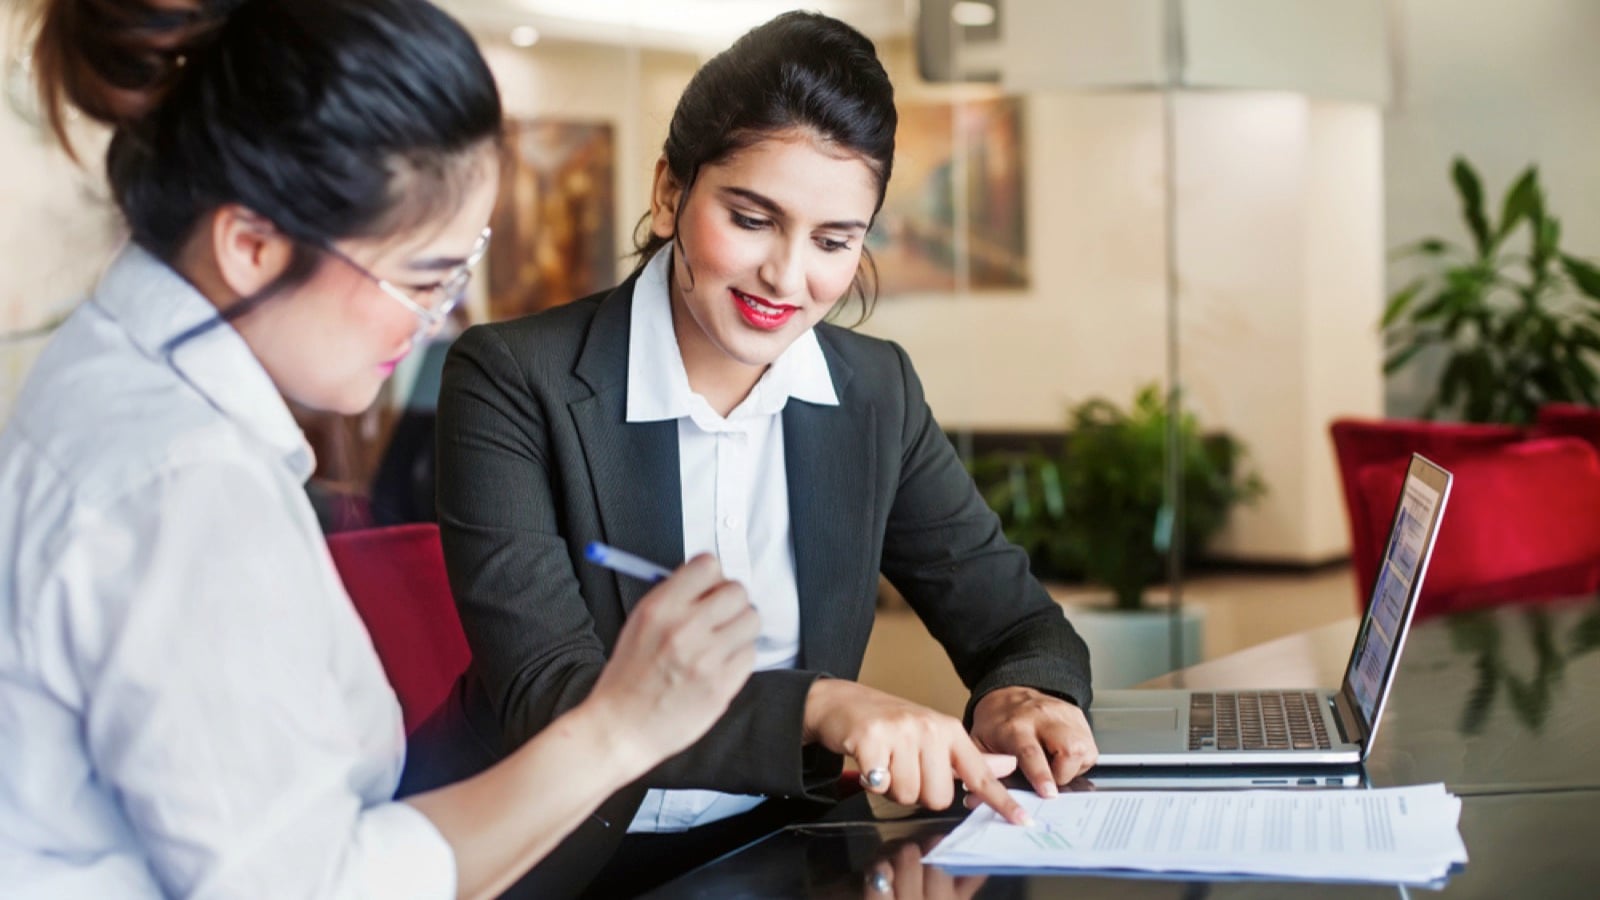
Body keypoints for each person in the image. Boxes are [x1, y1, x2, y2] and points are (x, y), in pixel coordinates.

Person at [0, 1, 758, 898]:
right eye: (420, 279)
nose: (435, 323)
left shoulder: (110, 375)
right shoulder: (184, 490)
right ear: (251, 246)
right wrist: (621, 728)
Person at [431, 10, 1099, 896]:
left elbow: (1017, 624)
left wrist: (1022, 695)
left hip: (780, 848)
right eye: (752, 219)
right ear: (671, 193)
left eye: (834, 241)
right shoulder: (515, 377)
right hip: (545, 854)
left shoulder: (874, 393)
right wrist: (824, 706)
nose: (788, 278)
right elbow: (553, 694)